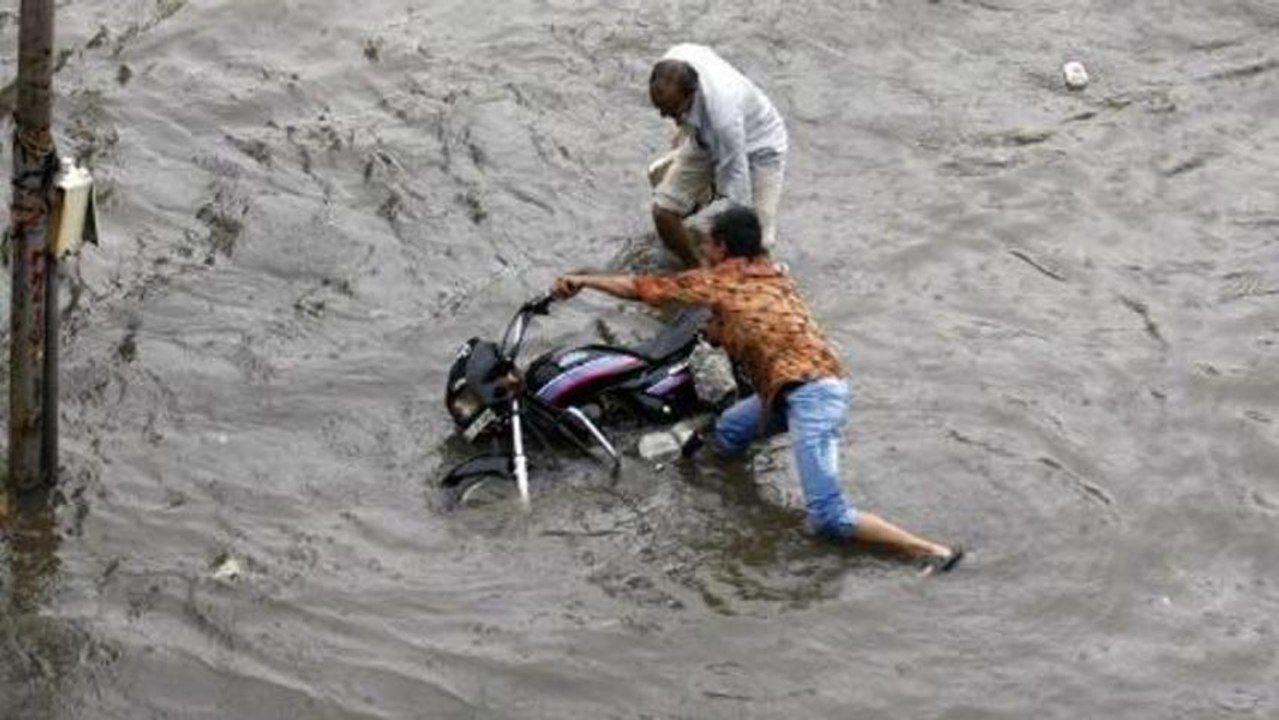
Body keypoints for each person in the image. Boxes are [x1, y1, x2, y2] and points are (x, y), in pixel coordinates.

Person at [552, 206, 964, 572]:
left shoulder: (724, 283)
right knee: (729, 429)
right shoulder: (774, 275)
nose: (705, 250)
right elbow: (750, 322)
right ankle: (735, 496)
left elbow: (647, 289)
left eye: (708, 243)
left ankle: (931, 552)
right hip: (794, 387)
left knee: (828, 517)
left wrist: (584, 280)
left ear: (722, 247)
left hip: (813, 396)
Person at [648, 43, 788, 267]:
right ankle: (697, 271)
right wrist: (682, 132)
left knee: (757, 243)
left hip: (759, 148)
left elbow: (738, 182)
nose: (665, 114)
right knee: (663, 212)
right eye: (660, 108)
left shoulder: (724, 115)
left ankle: (759, 282)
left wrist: (735, 238)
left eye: (673, 110)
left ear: (692, 94)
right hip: (703, 139)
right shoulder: (671, 63)